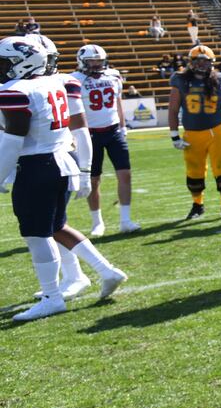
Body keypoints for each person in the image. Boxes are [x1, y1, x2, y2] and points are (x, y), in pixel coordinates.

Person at [0, 37, 127, 320]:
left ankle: (52, 297)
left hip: (36, 166)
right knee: (57, 226)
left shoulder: (18, 90)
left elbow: (13, 140)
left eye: (5, 63)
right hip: (60, 160)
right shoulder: (54, 83)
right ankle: (107, 270)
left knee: (37, 234)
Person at [71, 45, 140, 236]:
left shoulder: (114, 76)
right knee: (94, 180)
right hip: (90, 134)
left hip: (113, 130)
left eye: (99, 61)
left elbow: (117, 101)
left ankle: (126, 220)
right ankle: (97, 222)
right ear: (82, 62)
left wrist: (123, 126)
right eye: (92, 61)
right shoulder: (74, 80)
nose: (96, 65)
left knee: (125, 175)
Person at [168, 43, 221, 220]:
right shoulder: (181, 80)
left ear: (212, 62)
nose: (201, 64)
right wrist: (174, 136)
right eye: (197, 61)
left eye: (205, 61)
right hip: (192, 133)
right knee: (194, 172)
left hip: (218, 131)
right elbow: (173, 108)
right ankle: (197, 205)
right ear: (190, 62)